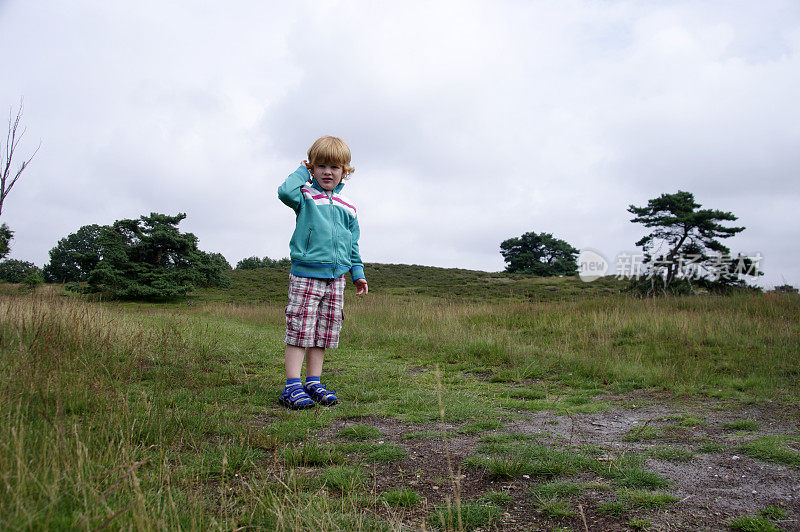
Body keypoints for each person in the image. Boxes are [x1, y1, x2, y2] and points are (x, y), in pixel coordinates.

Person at [276, 135, 368, 409]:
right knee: (300, 328)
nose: (328, 172)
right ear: (313, 168)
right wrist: (302, 172)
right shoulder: (304, 196)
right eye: (321, 166)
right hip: (306, 275)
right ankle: (291, 384)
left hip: (336, 279)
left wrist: (357, 272)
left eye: (335, 167)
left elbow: (352, 244)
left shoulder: (348, 207)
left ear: (344, 172)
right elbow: (284, 191)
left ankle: (313, 381)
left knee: (323, 332)